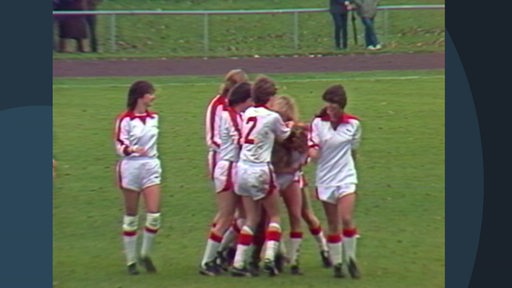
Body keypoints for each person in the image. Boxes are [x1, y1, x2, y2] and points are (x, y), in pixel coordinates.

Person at [230, 75, 293, 277]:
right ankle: (269, 257)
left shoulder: (248, 112)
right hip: (260, 169)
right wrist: (292, 127)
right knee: (274, 215)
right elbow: (283, 135)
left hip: (242, 168)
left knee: (251, 218)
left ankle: (239, 263)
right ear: (270, 98)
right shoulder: (272, 117)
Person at [269, 95, 332, 274]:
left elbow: (313, 136)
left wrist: (296, 166)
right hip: (278, 177)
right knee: (275, 217)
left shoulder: (297, 132)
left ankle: (322, 249)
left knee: (303, 215)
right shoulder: (272, 128)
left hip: (291, 178)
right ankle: (281, 255)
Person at [198, 82, 253, 276]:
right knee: (227, 217)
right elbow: (241, 141)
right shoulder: (231, 116)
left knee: (243, 216)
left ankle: (218, 253)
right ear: (245, 100)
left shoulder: (233, 114)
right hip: (230, 168)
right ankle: (208, 261)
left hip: (231, 167)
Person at [308, 84, 362, 279]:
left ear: (341, 106)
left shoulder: (353, 124)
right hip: (325, 179)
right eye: (328, 105)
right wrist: (312, 152)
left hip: (346, 177)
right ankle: (337, 264)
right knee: (332, 223)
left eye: (333, 106)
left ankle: (351, 260)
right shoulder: (317, 123)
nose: (330, 109)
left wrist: (353, 174)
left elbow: (353, 150)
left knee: (346, 218)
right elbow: (312, 145)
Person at [114, 80, 162, 275]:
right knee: (132, 216)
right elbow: (119, 145)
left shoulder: (155, 118)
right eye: (150, 94)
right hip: (131, 167)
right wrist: (131, 149)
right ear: (141, 96)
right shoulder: (125, 120)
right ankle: (131, 261)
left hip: (151, 165)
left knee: (154, 215)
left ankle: (145, 254)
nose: (153, 97)